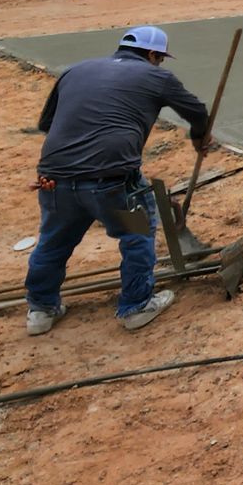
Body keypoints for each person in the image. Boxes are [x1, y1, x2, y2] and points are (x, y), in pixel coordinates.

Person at [25, 25, 211, 336]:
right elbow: (197, 111)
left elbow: (47, 124)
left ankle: (41, 311)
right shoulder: (157, 77)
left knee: (53, 241)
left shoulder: (75, 71)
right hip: (112, 184)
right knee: (137, 236)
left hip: (54, 180)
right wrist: (198, 137)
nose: (160, 64)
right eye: (160, 58)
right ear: (151, 54)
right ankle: (136, 306)